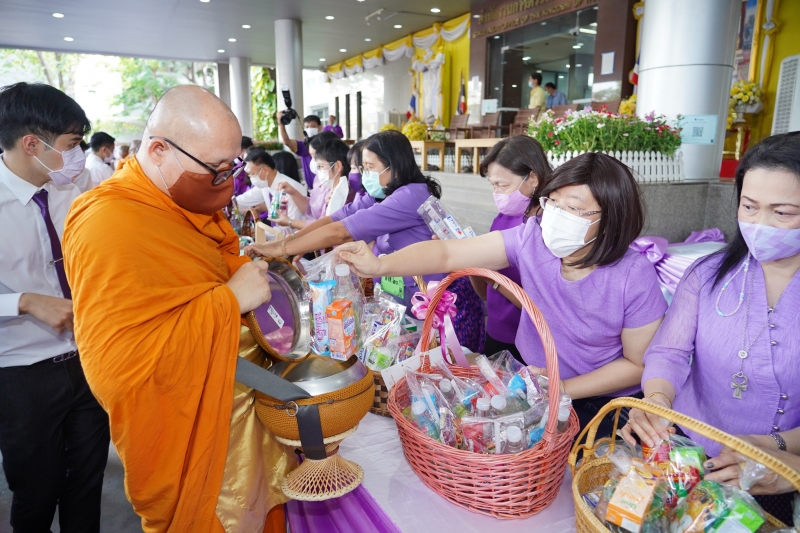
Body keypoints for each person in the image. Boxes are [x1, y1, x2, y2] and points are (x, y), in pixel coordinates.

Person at [62, 85, 292, 532]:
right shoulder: (107, 224)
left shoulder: (184, 202)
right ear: (159, 150)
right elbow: (119, 369)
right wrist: (228, 301)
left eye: (233, 166)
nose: (226, 180)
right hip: (190, 435)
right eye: (216, 169)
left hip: (242, 413)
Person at [337, 152, 668, 433]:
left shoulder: (633, 275)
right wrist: (380, 265)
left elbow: (637, 363)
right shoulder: (532, 237)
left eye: (574, 209)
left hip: (601, 400)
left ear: (611, 218)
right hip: (533, 379)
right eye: (553, 203)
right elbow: (449, 254)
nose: (556, 216)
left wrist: (563, 388)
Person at [621, 132, 800, 524]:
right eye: (749, 206)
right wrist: (657, 400)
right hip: (684, 454)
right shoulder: (708, 276)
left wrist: (777, 451)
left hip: (769, 474)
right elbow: (669, 352)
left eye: (783, 213)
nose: (760, 224)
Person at [246, 130, 487, 352]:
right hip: (407, 305)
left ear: (395, 166)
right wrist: (290, 243)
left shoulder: (411, 195)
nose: (365, 175)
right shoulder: (380, 194)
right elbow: (333, 219)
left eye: (370, 167)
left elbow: (342, 231)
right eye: (363, 168)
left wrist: (282, 247)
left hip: (442, 307)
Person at [0, 82, 110, 532]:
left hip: (88, 359)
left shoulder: (73, 186)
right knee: (36, 492)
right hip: (23, 372)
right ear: (32, 144)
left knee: (87, 485)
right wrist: (22, 301)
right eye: (71, 144)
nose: (79, 155)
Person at [471, 136, 551, 362]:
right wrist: (470, 262)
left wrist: (492, 278)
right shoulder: (502, 218)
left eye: (503, 185)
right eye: (493, 185)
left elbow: (536, 303)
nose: (496, 192)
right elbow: (484, 293)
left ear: (533, 178)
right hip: (496, 330)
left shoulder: (549, 226)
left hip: (529, 339)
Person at [269, 139, 348, 232]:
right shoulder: (327, 184)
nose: (318, 169)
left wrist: (290, 222)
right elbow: (312, 210)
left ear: (337, 166)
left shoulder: (345, 194)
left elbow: (323, 226)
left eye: (321, 166)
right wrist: (292, 192)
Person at [235, 147, 307, 224]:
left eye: (253, 174)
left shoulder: (289, 189)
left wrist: (262, 233)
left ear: (265, 170)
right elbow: (245, 199)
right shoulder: (265, 184)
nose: (251, 178)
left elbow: (292, 226)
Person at [277, 112, 329, 188]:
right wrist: (281, 124)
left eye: (312, 126)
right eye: (307, 127)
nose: (309, 129)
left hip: (326, 186)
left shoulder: (326, 144)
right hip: (311, 188)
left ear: (320, 127)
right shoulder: (303, 145)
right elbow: (287, 142)